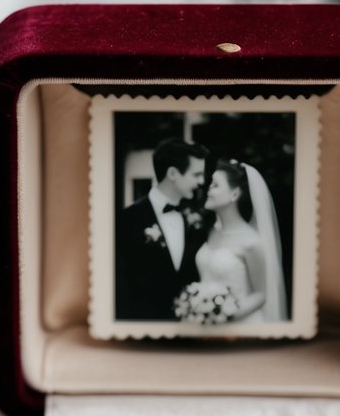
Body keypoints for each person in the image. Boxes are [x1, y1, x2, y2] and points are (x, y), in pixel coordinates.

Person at [115, 137, 208, 321]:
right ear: (172, 173)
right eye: (196, 174)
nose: (202, 181)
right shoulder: (126, 219)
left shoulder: (197, 220)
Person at [196, 159, 288, 323]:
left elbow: (261, 295)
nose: (208, 189)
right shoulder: (212, 231)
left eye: (215, 185)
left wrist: (221, 315)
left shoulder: (251, 241)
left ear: (234, 194)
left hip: (241, 325)